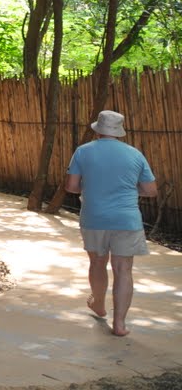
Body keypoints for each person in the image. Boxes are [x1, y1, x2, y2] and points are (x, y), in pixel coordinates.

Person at [64, 110, 158, 337]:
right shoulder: (135, 154)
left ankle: (98, 304)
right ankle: (120, 324)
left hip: (94, 218)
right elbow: (151, 191)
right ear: (119, 131)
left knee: (97, 263)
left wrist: (92, 188)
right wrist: (126, 189)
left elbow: (71, 186)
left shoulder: (83, 152)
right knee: (123, 269)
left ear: (97, 129)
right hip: (127, 220)